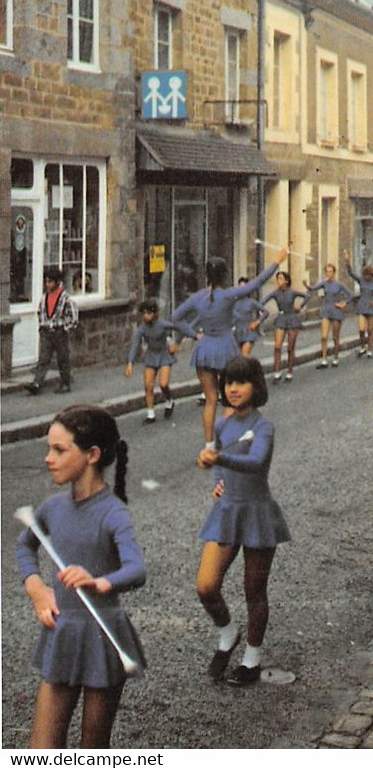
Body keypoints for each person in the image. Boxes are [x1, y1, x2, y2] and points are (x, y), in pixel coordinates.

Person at [16, 405, 145, 749]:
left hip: (103, 636)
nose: (48, 458)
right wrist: (37, 588)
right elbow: (24, 547)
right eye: (49, 449)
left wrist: (101, 581)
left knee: (93, 747)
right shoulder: (52, 508)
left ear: (92, 455)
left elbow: (136, 569)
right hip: (63, 633)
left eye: (59, 450)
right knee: (41, 749)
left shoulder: (113, 512)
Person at [196, 356, 290, 686]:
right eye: (228, 383)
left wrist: (221, 458)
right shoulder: (222, 425)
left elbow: (256, 461)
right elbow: (221, 462)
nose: (233, 389)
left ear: (256, 386)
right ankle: (227, 632)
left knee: (254, 589)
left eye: (241, 382)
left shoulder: (264, 427)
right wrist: (218, 478)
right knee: (206, 586)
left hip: (256, 512)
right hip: (227, 512)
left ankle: (252, 657)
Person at [172, 250, 287, 447]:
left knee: (210, 400)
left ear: (206, 275)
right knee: (232, 399)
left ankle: (209, 444)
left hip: (204, 348)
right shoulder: (228, 295)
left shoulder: (198, 297)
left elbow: (175, 317)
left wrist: (194, 334)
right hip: (225, 348)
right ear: (224, 275)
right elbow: (256, 283)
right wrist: (276, 262)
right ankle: (228, 437)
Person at [125, 299, 198, 424]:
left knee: (164, 384)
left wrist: (177, 342)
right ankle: (150, 413)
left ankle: (169, 400)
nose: (145, 316)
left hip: (164, 355)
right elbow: (135, 344)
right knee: (148, 385)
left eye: (147, 313)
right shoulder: (142, 329)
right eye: (143, 313)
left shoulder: (163, 324)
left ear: (154, 314)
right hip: (151, 355)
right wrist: (130, 362)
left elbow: (181, 328)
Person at [25, 267, 79, 396]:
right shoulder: (45, 297)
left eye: (50, 282)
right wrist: (42, 325)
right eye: (46, 281)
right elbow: (41, 312)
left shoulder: (65, 298)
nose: (47, 284)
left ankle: (66, 383)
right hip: (46, 332)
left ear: (57, 282)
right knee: (43, 358)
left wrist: (64, 328)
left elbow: (74, 317)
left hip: (59, 331)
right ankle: (37, 383)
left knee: (62, 358)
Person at [258, 271, 308, 382]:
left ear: (286, 281)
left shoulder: (292, 292)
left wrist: (300, 306)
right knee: (277, 346)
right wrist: (261, 310)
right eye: (277, 278)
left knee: (290, 348)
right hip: (281, 318)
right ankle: (277, 372)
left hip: (292, 318)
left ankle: (289, 372)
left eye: (281, 278)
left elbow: (307, 296)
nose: (278, 281)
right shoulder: (275, 293)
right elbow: (263, 301)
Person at [304, 264, 353, 368]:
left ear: (334, 273)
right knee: (324, 336)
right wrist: (306, 285)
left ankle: (335, 358)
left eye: (330, 271)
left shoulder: (339, 284)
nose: (328, 274)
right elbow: (313, 289)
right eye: (327, 271)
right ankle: (324, 359)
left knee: (335, 337)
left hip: (336, 310)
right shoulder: (324, 283)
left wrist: (343, 303)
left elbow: (351, 295)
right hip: (326, 309)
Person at [344, 250, 373, 358]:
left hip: (371, 307)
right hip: (362, 306)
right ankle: (362, 346)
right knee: (361, 329)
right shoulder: (361, 280)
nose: (366, 277)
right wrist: (347, 261)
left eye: (369, 275)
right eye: (365, 275)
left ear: (372, 275)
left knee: (370, 330)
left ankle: (369, 349)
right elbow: (351, 273)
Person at [232, 277, 269, 358]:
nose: (241, 289)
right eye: (240, 286)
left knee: (244, 357)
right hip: (236, 332)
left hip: (248, 332)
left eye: (244, 287)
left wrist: (257, 322)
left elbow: (266, 312)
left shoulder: (251, 302)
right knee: (237, 359)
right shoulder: (233, 302)